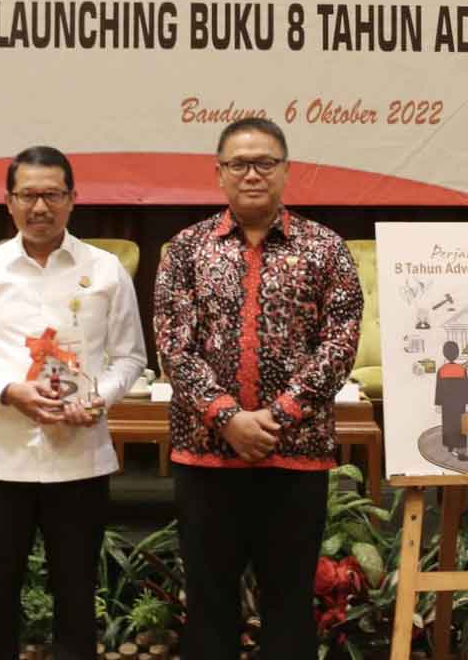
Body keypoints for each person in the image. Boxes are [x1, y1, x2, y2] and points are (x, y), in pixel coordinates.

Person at [152, 118, 364, 659]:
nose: (252, 174)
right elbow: (173, 344)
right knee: (209, 601)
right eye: (239, 164)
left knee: (290, 602)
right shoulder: (185, 250)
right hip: (205, 455)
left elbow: (340, 342)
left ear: (286, 171)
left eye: (265, 163)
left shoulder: (326, 248)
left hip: (295, 453)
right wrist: (227, 418)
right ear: (219, 173)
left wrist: (280, 415)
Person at [0, 147, 147, 660]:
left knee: (76, 595)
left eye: (52, 194)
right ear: (8, 201)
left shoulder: (106, 270)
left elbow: (130, 357)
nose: (39, 207)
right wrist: (8, 391)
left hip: (80, 458)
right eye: (27, 195)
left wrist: (97, 398)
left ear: (73, 199)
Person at [434, 340, 468, 462]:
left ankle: (450, 447)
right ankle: (461, 451)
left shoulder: (441, 370)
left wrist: (438, 404)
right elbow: (466, 387)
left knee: (448, 425)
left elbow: (439, 388)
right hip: (459, 403)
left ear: (444, 353)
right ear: (457, 353)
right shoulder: (461, 369)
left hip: (447, 404)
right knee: (460, 426)